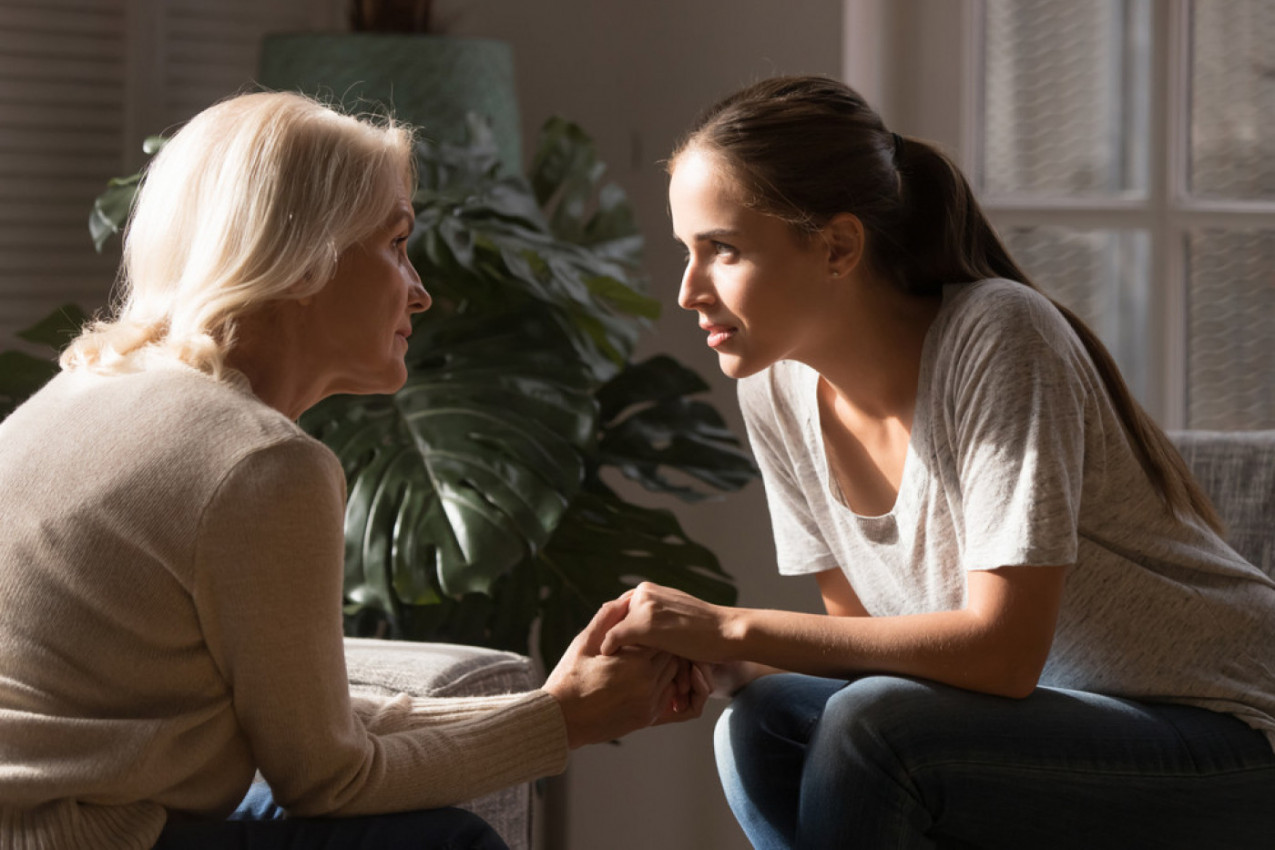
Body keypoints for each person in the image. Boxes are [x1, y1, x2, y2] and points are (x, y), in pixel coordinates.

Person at [0, 91, 708, 850]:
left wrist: (555, 702)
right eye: (397, 243)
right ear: (306, 253)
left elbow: (313, 727)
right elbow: (329, 780)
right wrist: (566, 721)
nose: (420, 289)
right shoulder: (258, 463)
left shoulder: (84, 388)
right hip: (73, 834)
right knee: (443, 844)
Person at [599, 75, 1275, 848]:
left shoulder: (997, 334)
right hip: (1048, 730)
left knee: (872, 726)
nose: (689, 290)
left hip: (1232, 738)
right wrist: (722, 664)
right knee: (764, 721)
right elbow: (862, 638)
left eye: (722, 251)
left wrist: (730, 626)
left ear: (837, 246)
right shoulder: (776, 385)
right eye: (687, 251)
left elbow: (1002, 653)